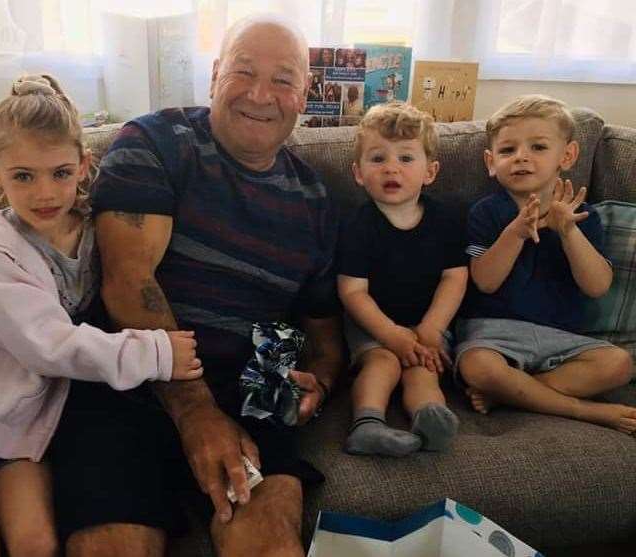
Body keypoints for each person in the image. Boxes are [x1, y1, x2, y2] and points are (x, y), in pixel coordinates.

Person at [47, 15, 344, 557]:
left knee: (270, 547)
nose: (260, 94)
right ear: (214, 76)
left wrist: (318, 384)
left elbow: (325, 337)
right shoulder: (156, 141)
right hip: (127, 375)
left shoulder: (316, 200)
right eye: (243, 72)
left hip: (255, 389)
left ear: (306, 93)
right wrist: (196, 413)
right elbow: (127, 283)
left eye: (283, 79)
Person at [0, 75, 202, 557]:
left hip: (19, 432)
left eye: (61, 173)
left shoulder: (95, 231)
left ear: (85, 166)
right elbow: (47, 345)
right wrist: (154, 352)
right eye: (24, 176)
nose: (45, 193)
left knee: (39, 544)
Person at [455, 94, 636, 433]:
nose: (521, 157)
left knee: (619, 364)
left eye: (538, 147)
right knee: (478, 368)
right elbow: (485, 282)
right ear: (491, 161)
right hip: (495, 333)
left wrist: (569, 232)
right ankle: (583, 410)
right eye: (508, 151)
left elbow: (596, 286)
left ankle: (512, 393)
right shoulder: (486, 212)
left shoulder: (584, 216)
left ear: (566, 156)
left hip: (563, 338)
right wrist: (514, 234)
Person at [338, 101, 466, 457]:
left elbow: (455, 277)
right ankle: (367, 425)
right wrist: (390, 334)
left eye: (406, 159)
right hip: (372, 326)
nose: (391, 168)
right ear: (359, 172)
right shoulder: (357, 225)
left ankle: (431, 420)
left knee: (423, 369)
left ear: (431, 171)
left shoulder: (445, 219)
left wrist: (431, 329)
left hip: (428, 325)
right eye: (378, 159)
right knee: (384, 362)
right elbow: (352, 291)